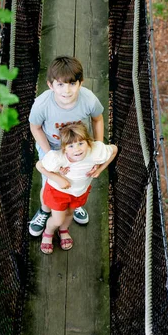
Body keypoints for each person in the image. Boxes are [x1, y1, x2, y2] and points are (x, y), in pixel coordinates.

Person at [28, 56, 105, 236]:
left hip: (78, 146)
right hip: (52, 146)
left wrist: (98, 145)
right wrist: (49, 155)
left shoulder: (88, 99)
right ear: (50, 85)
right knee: (50, 182)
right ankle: (45, 210)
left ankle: (73, 204)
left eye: (72, 84)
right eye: (61, 85)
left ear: (81, 83)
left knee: (80, 176)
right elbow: (35, 127)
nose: (67, 90)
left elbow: (98, 119)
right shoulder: (42, 105)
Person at [36, 123, 117, 254]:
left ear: (88, 142)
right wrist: (58, 178)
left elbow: (114, 150)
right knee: (57, 218)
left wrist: (100, 169)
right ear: (64, 148)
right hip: (58, 192)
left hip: (79, 192)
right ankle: (48, 232)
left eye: (81, 143)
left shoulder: (95, 152)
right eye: (71, 146)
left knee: (69, 214)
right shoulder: (58, 158)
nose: (77, 149)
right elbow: (40, 166)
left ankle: (63, 230)